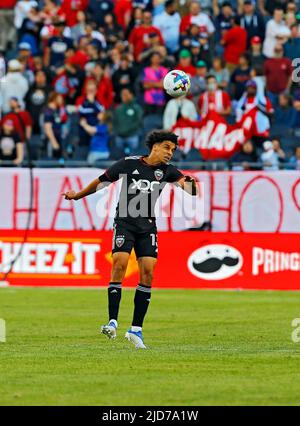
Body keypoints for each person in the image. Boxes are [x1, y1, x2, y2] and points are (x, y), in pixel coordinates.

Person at [62, 130, 198, 349]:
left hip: (148, 227)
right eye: (166, 147)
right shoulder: (128, 164)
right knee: (120, 264)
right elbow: (102, 182)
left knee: (148, 272)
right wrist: (77, 195)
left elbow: (191, 190)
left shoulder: (168, 171)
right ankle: (112, 322)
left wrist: (191, 184)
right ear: (154, 146)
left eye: (173, 150)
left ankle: (136, 330)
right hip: (125, 223)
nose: (170, 153)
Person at [113, 88, 143, 154]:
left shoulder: (136, 107)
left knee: (134, 157)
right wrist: (117, 131)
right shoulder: (118, 108)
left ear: (131, 95)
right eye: (122, 95)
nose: (124, 96)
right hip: (120, 137)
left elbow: (138, 121)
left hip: (132, 136)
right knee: (119, 158)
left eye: (126, 94)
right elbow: (115, 121)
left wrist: (127, 130)